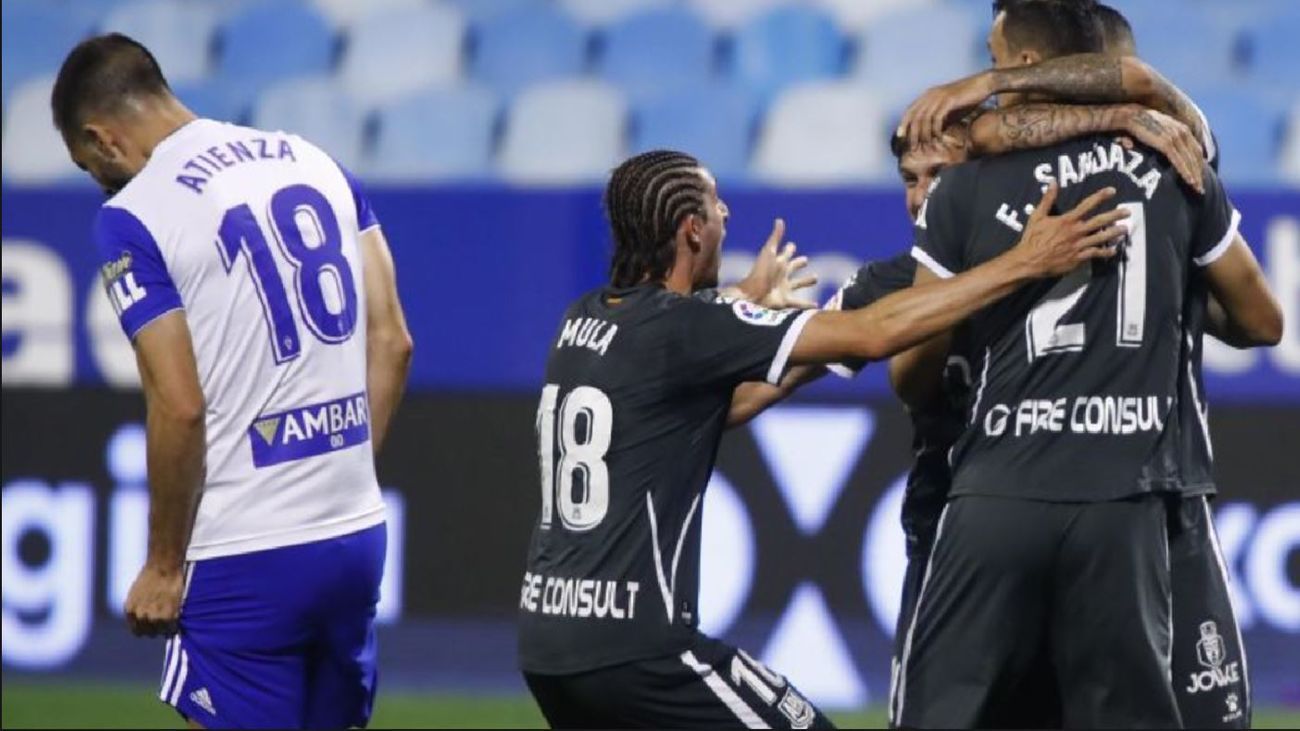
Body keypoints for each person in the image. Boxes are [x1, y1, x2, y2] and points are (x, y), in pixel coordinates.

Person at [516, 148, 1130, 728]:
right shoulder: (691, 328)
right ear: (690, 230)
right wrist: (1025, 262)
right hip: (637, 652)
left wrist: (748, 307)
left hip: (546, 644)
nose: (726, 212)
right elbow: (870, 334)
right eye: (713, 202)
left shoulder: (587, 317)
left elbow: (700, 391)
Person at [893, 3, 1282, 727]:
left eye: (999, 59)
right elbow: (1263, 321)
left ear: (1032, 66)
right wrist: (1180, 297)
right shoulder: (1177, 161)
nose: (994, 77)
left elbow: (910, 371)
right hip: (1135, 493)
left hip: (996, 490)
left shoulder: (967, 184)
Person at [52, 34, 413, 729]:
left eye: (91, 166)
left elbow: (179, 402)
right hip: (356, 535)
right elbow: (394, 339)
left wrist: (162, 564)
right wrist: (339, 473)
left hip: (244, 552)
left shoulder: (133, 215)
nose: (102, 181)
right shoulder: (317, 160)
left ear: (102, 138)